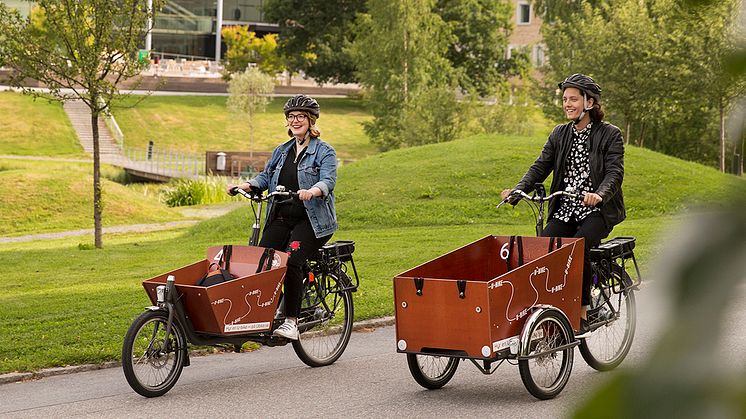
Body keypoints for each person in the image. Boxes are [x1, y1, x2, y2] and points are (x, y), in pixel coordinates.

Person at [500, 73, 625, 335]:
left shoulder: (610, 134)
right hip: (565, 209)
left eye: (573, 99)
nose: (567, 104)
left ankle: (581, 314)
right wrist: (518, 190)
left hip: (597, 211)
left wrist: (599, 194)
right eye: (565, 99)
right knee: (543, 251)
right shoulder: (559, 134)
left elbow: (615, 172)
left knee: (576, 251)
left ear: (589, 102)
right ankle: (550, 312)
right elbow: (540, 166)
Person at [228, 94, 338, 340]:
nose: (295, 121)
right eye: (291, 117)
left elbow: (328, 180)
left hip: (311, 221)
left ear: (310, 120)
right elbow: (266, 178)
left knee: (290, 260)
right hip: (280, 217)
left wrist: (313, 191)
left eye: (300, 117)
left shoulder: (324, 151)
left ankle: (291, 321)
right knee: (262, 261)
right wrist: (247, 185)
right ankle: (265, 313)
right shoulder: (281, 151)